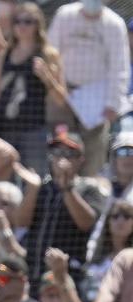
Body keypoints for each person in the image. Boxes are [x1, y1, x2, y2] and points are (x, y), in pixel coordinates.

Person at [14, 128, 108, 289]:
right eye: (57, 152)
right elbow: (21, 221)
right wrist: (32, 189)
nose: (61, 158)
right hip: (34, 275)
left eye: (69, 154)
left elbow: (86, 223)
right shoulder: (41, 188)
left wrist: (67, 188)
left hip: (69, 277)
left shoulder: (88, 188)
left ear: (80, 160)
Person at [48, 0, 130, 176]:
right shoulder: (65, 15)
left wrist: (113, 103)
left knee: (94, 151)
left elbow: (119, 67)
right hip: (63, 96)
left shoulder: (115, 24)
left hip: (97, 100)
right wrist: (58, 85)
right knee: (61, 145)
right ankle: (60, 188)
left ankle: (89, 193)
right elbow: (51, 54)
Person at [0, 2, 68, 174]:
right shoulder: (4, 54)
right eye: (18, 21)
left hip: (33, 128)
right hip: (4, 127)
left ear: (38, 25)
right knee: (3, 176)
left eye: (28, 21)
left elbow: (60, 99)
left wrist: (46, 76)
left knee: (35, 176)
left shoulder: (48, 54)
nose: (22, 26)